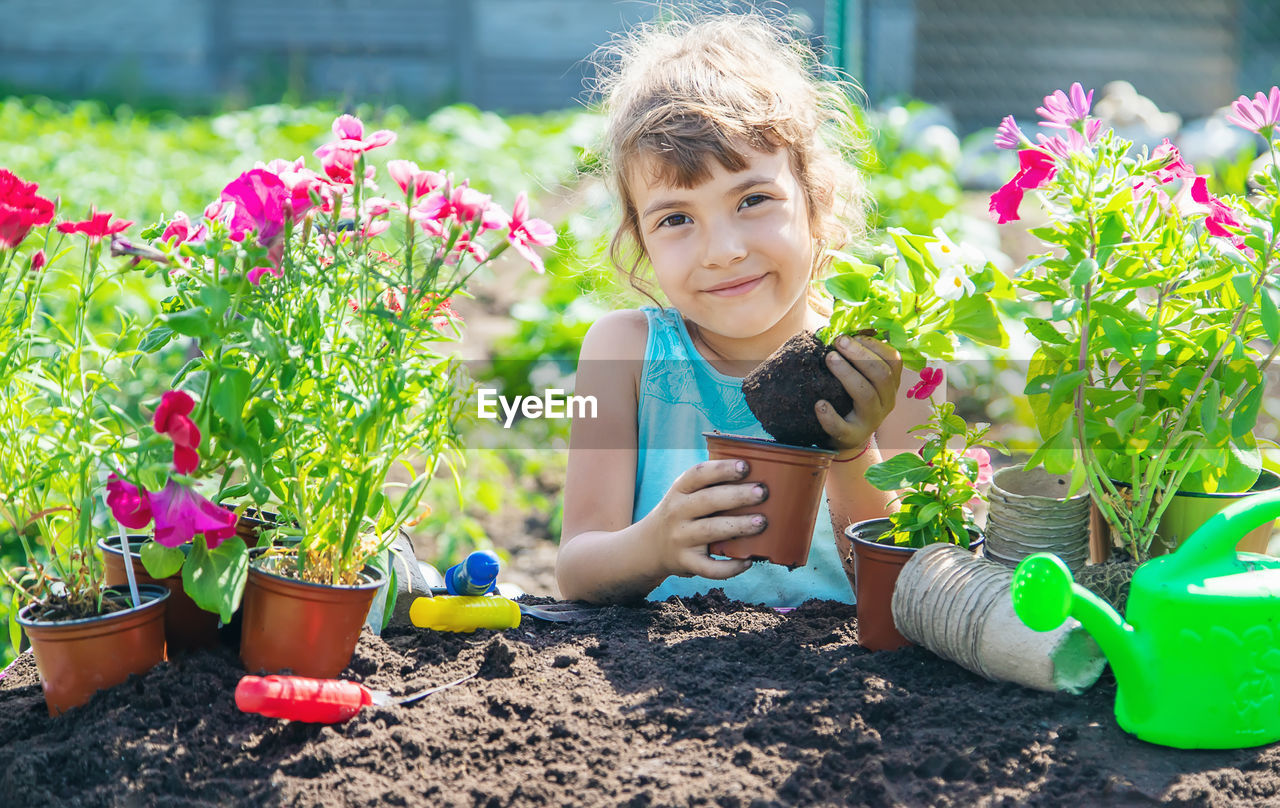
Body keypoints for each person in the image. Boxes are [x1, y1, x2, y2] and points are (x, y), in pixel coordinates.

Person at [556, 12, 935, 607]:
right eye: (676, 218)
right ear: (640, 239)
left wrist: (853, 451)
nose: (724, 252)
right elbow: (578, 568)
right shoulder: (625, 354)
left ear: (816, 202)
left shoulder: (884, 361)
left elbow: (921, 583)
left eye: (754, 199)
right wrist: (654, 544)